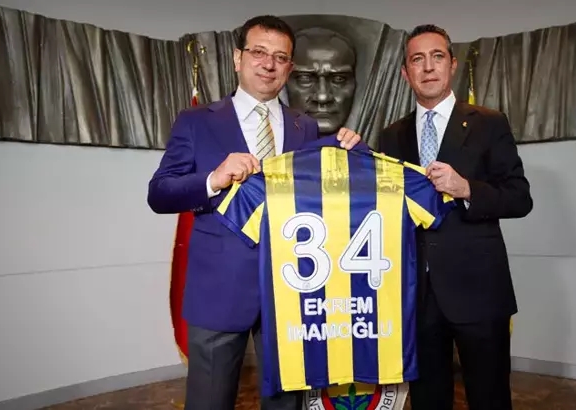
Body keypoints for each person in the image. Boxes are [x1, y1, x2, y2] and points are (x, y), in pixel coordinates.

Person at [147, 15, 362, 410]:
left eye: (280, 57)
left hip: (291, 291)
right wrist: (213, 179)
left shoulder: (305, 126)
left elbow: (316, 196)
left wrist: (345, 151)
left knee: (286, 403)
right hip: (219, 291)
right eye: (259, 52)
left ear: (289, 67)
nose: (269, 64)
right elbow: (159, 194)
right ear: (237, 58)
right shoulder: (196, 122)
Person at [377, 24, 533, 410]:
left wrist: (466, 189)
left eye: (437, 57)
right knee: (428, 400)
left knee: (489, 398)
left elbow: (519, 198)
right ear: (406, 73)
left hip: (478, 290)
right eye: (417, 59)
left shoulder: (489, 122)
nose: (428, 67)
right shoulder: (391, 136)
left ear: (452, 64)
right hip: (415, 295)